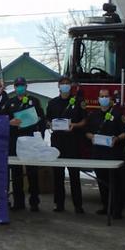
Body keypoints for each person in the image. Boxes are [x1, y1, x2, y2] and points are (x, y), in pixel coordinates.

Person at [84, 88, 125, 218]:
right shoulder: (93, 115)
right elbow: (87, 132)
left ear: (110, 99)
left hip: (113, 153)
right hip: (98, 153)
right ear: (98, 99)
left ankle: (117, 209)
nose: (104, 98)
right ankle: (105, 206)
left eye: (106, 96)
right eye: (101, 96)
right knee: (101, 181)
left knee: (115, 182)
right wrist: (91, 137)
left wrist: (117, 138)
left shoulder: (118, 114)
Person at [45, 76, 87, 213]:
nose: (65, 86)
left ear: (71, 86)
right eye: (62, 83)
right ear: (58, 86)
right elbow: (47, 120)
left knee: (74, 175)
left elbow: (84, 121)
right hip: (57, 142)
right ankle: (59, 204)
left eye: (67, 83)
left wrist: (74, 125)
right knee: (58, 175)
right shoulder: (52, 103)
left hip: (73, 142)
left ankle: (78, 205)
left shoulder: (79, 102)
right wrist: (50, 124)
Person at [4, 77, 45, 211]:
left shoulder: (34, 101)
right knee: (16, 173)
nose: (19, 87)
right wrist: (10, 122)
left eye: (22, 85)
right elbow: (3, 120)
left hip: (31, 140)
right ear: (14, 87)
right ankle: (18, 202)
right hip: (15, 141)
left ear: (26, 86)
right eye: (17, 85)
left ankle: (34, 202)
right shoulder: (10, 103)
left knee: (32, 172)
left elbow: (42, 119)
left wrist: (40, 137)